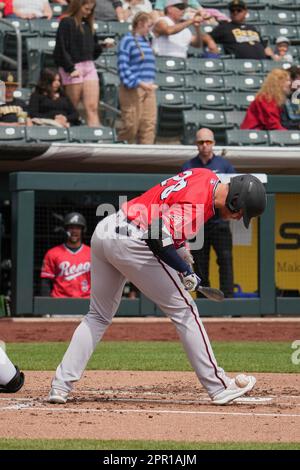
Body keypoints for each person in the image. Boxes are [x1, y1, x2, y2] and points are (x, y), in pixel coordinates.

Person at [48, 168, 266, 405]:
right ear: (235, 201)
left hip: (107, 230)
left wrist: (181, 250)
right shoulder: (199, 205)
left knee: (98, 316)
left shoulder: (205, 175)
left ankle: (60, 386)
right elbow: (155, 236)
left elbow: (168, 204)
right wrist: (183, 270)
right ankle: (219, 386)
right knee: (185, 310)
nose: (237, 218)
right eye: (240, 213)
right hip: (133, 240)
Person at [181, 128, 235, 298]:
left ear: (214, 143)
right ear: (196, 144)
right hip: (198, 224)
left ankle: (228, 301)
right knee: (200, 264)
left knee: (225, 260)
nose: (205, 145)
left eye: (208, 142)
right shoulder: (188, 166)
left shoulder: (224, 165)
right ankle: (205, 300)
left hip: (219, 223)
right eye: (201, 142)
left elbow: (233, 192)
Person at [53, 0, 106, 127]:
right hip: (73, 66)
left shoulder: (88, 25)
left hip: (89, 66)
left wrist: (102, 46)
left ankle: (95, 136)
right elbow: (60, 48)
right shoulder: (67, 22)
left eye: (91, 10)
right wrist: (70, 68)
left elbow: (92, 52)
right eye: (86, 9)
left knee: (92, 106)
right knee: (73, 107)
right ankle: (70, 134)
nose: (88, 12)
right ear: (78, 6)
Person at [117, 12, 157, 144]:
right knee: (131, 125)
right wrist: (138, 82)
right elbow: (123, 67)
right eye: (148, 26)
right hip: (132, 89)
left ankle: (147, 158)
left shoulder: (147, 41)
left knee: (148, 125)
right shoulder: (127, 40)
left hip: (148, 88)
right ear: (140, 23)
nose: (150, 29)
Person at [40, 212, 91, 298]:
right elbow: (46, 282)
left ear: (83, 230)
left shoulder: (92, 253)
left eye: (78, 228)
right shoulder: (52, 253)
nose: (74, 231)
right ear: (65, 230)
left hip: (86, 302)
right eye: (71, 228)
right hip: (59, 303)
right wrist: (46, 308)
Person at [152, 0, 218, 59]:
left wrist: (197, 28)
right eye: (180, 8)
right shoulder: (161, 21)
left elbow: (197, 44)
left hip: (181, 63)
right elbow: (168, 31)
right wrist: (192, 20)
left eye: (184, 8)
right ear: (169, 9)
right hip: (162, 60)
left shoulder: (184, 28)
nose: (183, 10)